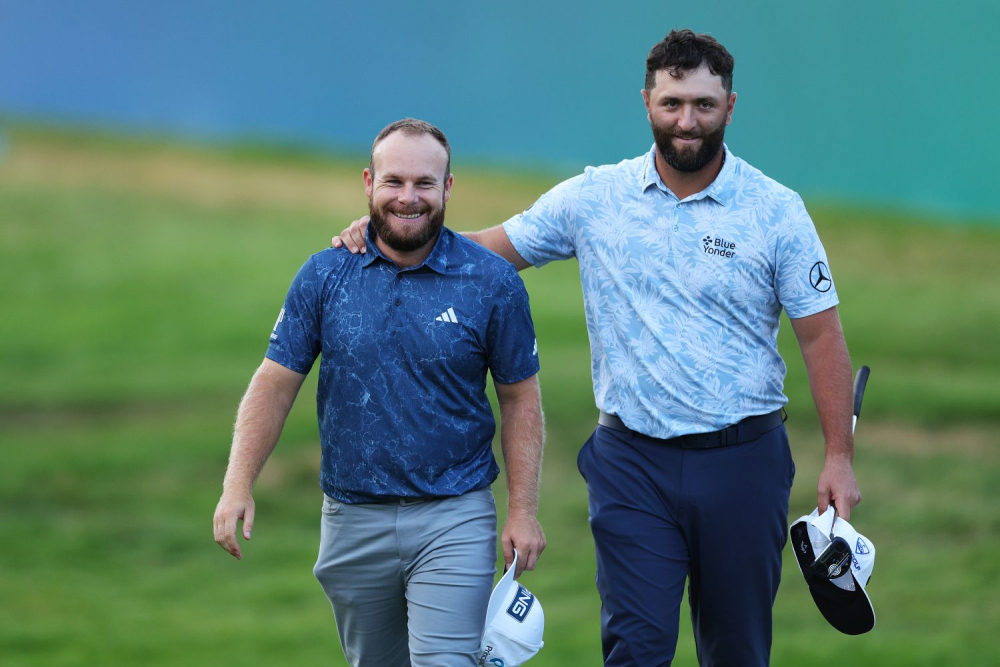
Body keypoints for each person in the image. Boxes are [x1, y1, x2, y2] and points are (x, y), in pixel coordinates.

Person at [333, 30, 861, 666]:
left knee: (738, 649)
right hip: (631, 463)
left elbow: (821, 335)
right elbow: (489, 249)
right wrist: (395, 231)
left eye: (703, 104)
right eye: (671, 104)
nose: (686, 121)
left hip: (744, 461)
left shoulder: (776, 211)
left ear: (730, 105)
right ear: (646, 103)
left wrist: (838, 456)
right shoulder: (595, 197)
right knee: (634, 651)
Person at [214, 118, 546, 667]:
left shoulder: (492, 283)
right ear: (368, 183)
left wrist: (524, 510)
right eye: (394, 182)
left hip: (455, 514)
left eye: (424, 183)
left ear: (448, 187)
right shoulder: (325, 275)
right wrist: (237, 484)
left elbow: (520, 399)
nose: (408, 197)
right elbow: (275, 382)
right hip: (351, 519)